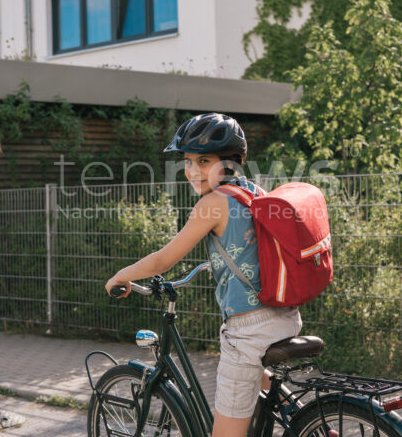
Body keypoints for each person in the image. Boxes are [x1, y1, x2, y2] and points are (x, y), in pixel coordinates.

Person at [105, 112, 302, 437]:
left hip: (249, 332)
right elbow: (252, 247)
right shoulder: (253, 191)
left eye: (205, 160)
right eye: (187, 161)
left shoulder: (212, 203)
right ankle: (307, 421)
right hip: (285, 317)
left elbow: (163, 260)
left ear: (231, 162)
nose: (193, 170)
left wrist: (121, 276)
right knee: (262, 383)